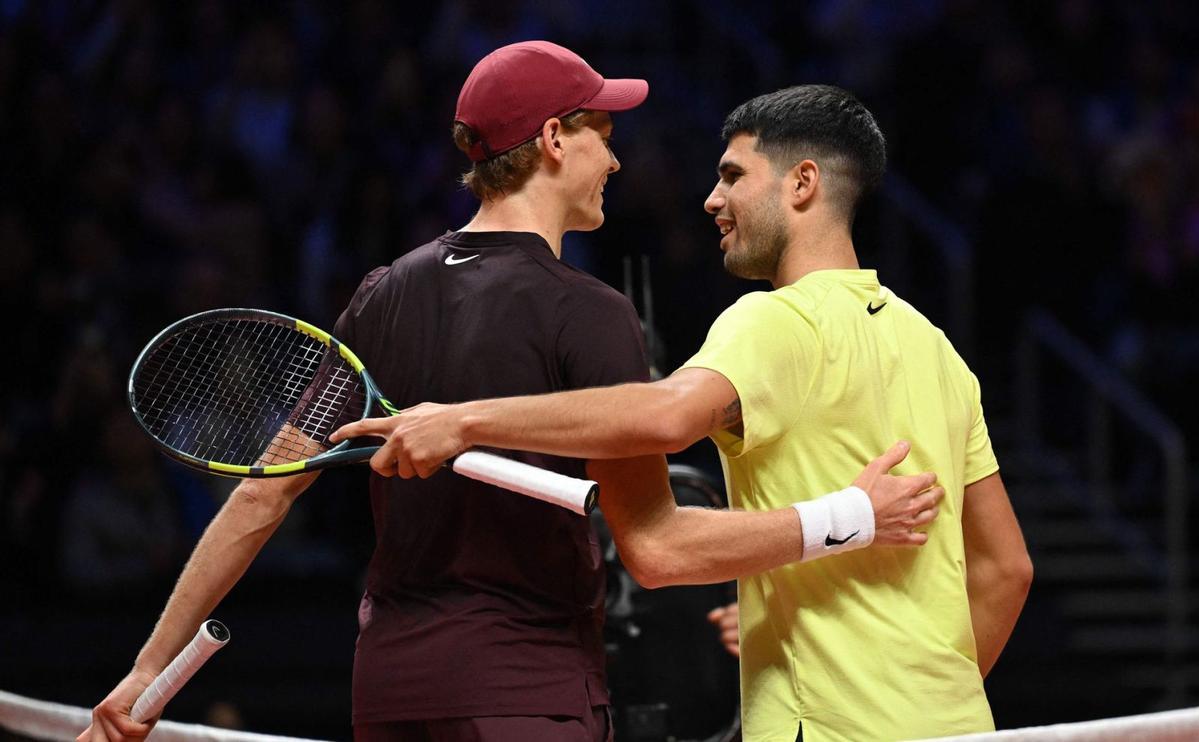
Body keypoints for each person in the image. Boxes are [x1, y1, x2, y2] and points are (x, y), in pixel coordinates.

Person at [81, 46, 941, 742]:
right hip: (526, 690)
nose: (616, 157)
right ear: (556, 139)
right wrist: (848, 519)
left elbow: (259, 502)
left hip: (387, 687)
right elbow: (659, 550)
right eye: (604, 131)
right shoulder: (591, 312)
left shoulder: (381, 292)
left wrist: (144, 673)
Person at [332, 84, 1034, 741]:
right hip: (953, 723)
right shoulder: (934, 346)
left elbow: (666, 417)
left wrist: (463, 421)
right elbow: (1007, 570)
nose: (710, 200)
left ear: (803, 184)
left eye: (732, 176)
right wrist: (919, 707)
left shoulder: (772, 322)